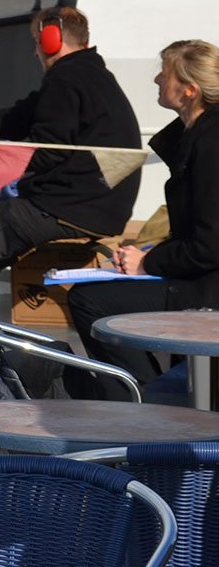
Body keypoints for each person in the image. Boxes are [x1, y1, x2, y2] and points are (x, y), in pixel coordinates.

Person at [0, 6, 142, 303]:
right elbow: (30, 111)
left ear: (51, 41)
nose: (35, 52)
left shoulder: (66, 79)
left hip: (75, 207)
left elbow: (50, 150)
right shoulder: (86, 72)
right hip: (95, 204)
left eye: (36, 41)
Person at [66, 39, 219, 393]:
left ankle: (142, 396)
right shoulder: (198, 135)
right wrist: (148, 257)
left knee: (89, 300)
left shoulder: (211, 144)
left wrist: (147, 265)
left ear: (190, 91)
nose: (155, 81)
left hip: (208, 288)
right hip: (201, 276)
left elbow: (211, 243)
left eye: (163, 75)